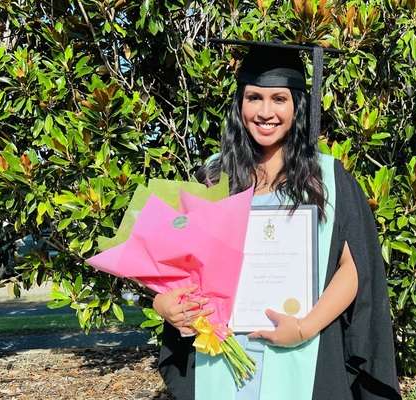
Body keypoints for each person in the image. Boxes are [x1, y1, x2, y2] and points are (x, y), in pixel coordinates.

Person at [152, 39, 400, 400]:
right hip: (222, 352)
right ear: (240, 104)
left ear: (298, 106)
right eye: (254, 97)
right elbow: (181, 267)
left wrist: (304, 328)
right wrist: (165, 304)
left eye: (279, 99)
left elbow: (354, 269)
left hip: (302, 347)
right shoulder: (213, 176)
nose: (265, 111)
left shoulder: (327, 178)